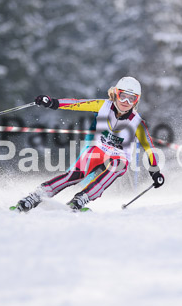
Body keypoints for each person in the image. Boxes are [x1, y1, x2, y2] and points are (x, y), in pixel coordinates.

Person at [12, 76, 165, 212]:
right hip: (98, 150)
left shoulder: (137, 123)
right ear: (116, 94)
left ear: (136, 101)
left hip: (119, 157)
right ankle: (37, 195)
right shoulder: (102, 105)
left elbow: (149, 149)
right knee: (74, 175)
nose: (126, 102)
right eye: (123, 96)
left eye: (131, 99)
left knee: (118, 166)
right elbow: (77, 104)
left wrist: (155, 172)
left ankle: (81, 198)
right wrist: (52, 102)